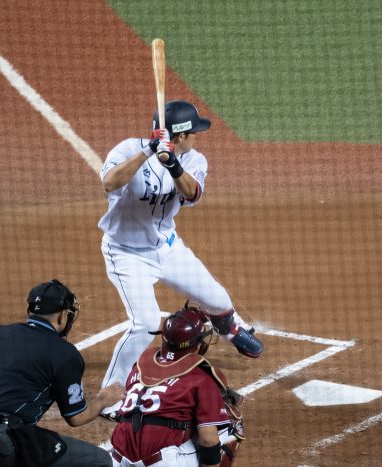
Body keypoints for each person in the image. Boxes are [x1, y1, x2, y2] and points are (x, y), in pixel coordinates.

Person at [98, 99, 264, 401]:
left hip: (168, 249)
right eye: (194, 132)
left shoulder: (194, 160)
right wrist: (149, 152)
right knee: (145, 324)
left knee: (218, 299)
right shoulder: (127, 149)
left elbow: (192, 193)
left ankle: (230, 329)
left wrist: (172, 164)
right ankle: (111, 393)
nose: (198, 136)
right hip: (126, 253)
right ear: (182, 135)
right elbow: (110, 183)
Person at [0, 279, 118, 467]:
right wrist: (102, 401)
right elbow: (76, 417)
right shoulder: (65, 354)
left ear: (30, 310)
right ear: (62, 315)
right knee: (100, 460)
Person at [108, 303, 245, 466]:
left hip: (117, 458)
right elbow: (208, 440)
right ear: (197, 344)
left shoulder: (140, 365)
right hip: (160, 462)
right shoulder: (201, 377)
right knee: (230, 425)